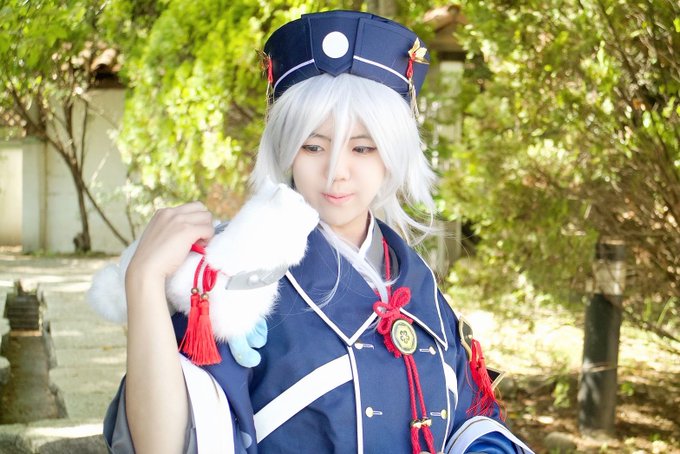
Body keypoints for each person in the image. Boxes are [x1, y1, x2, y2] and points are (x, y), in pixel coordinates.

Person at [103, 10, 534, 454]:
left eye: (362, 148)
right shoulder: (238, 280)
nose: (336, 173)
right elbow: (162, 445)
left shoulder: (417, 282)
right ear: (286, 149)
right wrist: (144, 281)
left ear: (392, 153)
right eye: (312, 146)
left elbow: (468, 417)